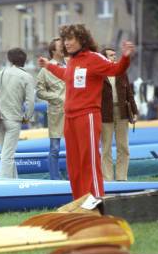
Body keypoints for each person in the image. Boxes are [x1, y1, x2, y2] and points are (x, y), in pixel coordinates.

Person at [38, 24, 134, 199]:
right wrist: (48, 66)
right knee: (73, 164)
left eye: (70, 39)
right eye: (65, 39)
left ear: (82, 40)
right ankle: (80, 201)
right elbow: (67, 75)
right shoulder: (72, 61)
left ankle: (96, 199)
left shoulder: (94, 58)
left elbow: (116, 69)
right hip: (70, 118)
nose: (66, 43)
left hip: (87, 116)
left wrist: (125, 58)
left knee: (89, 161)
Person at [0, 48, 35, 178]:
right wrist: (27, 117)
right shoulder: (27, 77)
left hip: (0, 118)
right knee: (8, 154)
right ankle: (4, 184)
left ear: (10, 59)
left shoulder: (2, 73)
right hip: (14, 119)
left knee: (5, 153)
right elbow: (31, 101)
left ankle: (14, 179)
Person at [100, 47, 138, 181]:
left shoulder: (121, 72)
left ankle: (122, 178)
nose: (114, 57)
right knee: (106, 148)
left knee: (123, 146)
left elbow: (129, 93)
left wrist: (134, 111)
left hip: (122, 112)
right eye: (111, 55)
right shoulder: (99, 73)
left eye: (115, 55)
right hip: (105, 114)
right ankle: (108, 179)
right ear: (104, 58)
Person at [36, 38, 66, 180]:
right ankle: (55, 179)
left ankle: (73, 177)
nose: (64, 47)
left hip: (75, 111)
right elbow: (39, 92)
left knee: (75, 148)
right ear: (53, 50)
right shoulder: (44, 70)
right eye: (61, 46)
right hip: (57, 112)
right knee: (55, 148)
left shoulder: (72, 65)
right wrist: (56, 97)